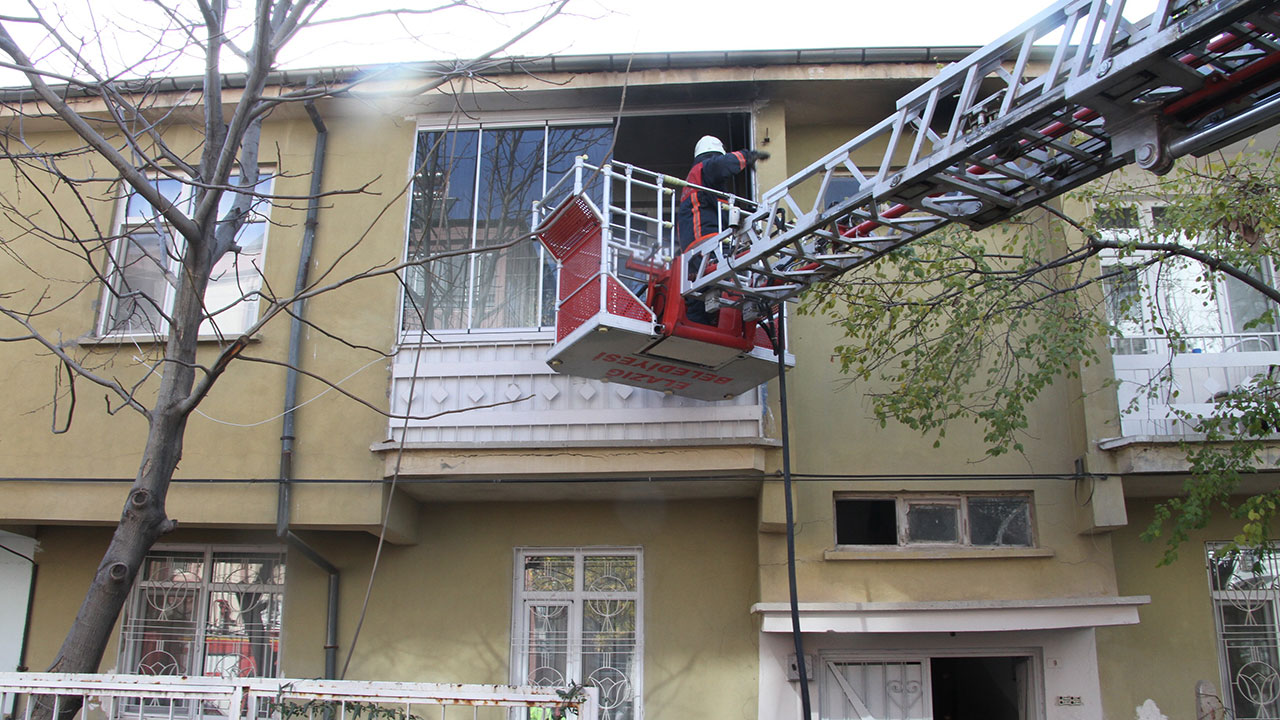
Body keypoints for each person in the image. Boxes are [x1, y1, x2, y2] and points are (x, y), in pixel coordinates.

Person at [675, 135, 769, 323]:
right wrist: (746, 156)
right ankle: (748, 304)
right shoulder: (705, 168)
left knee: (699, 296)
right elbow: (720, 166)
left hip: (694, 252)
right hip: (710, 243)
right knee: (739, 271)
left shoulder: (698, 186)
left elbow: (714, 210)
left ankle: (698, 332)